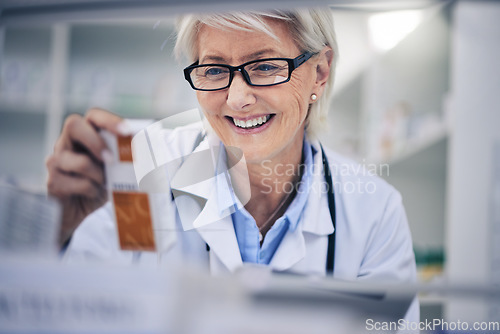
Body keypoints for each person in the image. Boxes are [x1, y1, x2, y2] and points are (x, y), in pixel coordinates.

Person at [46, 8, 418, 320]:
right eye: (213, 71)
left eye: (266, 66)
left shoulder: (373, 212)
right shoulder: (145, 178)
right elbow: (70, 316)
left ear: (319, 72)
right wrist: (61, 233)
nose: (238, 98)